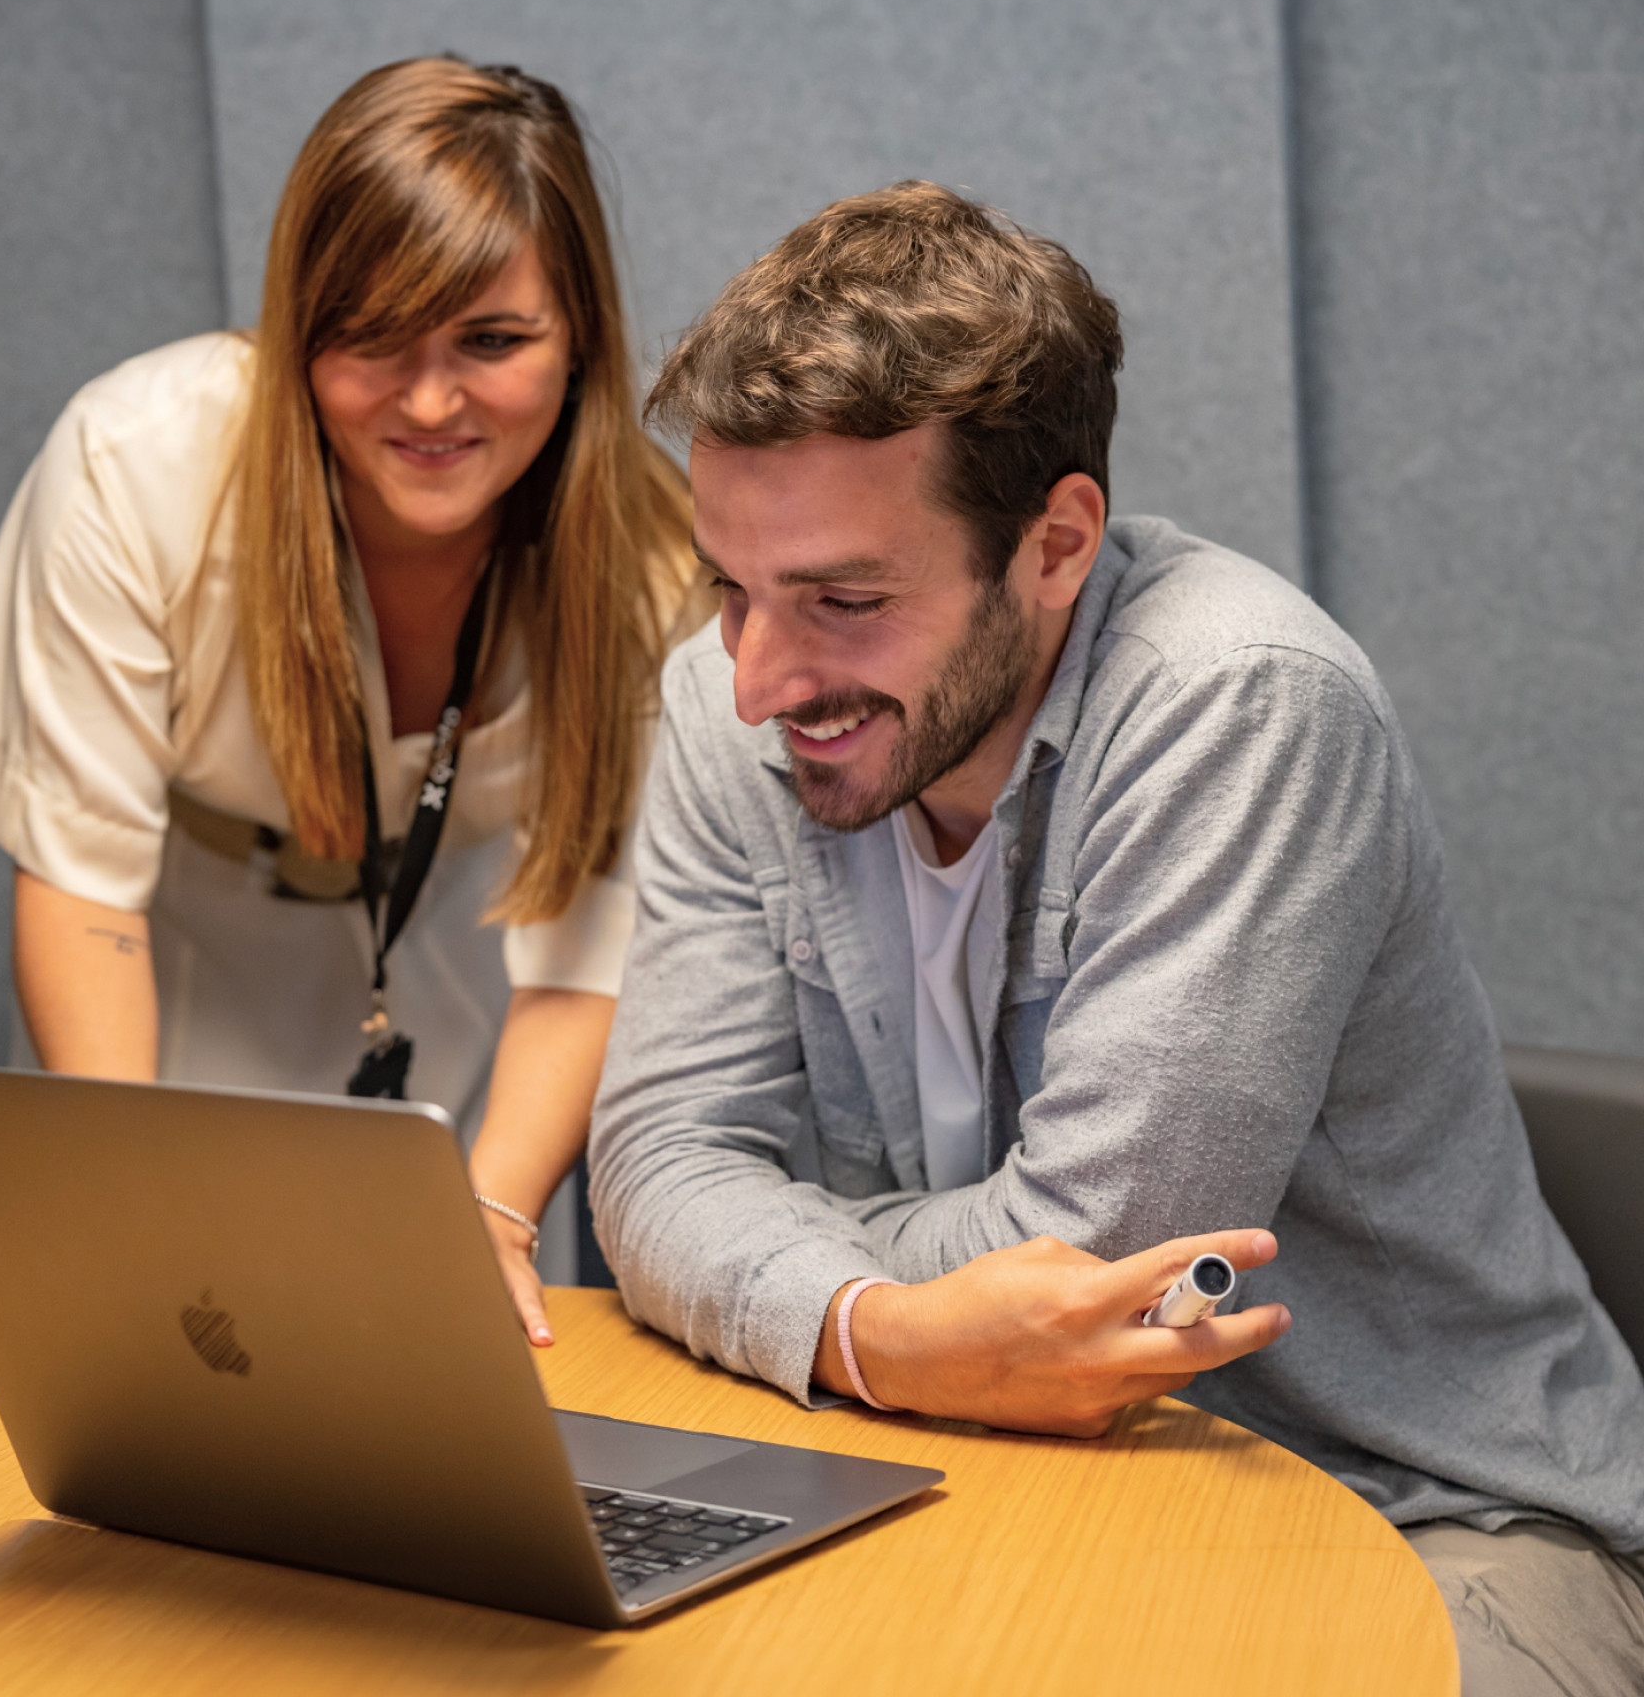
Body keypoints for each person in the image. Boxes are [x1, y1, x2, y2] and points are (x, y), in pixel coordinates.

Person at [589, 181, 1644, 1689]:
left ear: (1057, 540)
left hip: (1430, 1514)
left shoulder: (1242, 703)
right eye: (730, 590)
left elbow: (1099, 1266)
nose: (760, 679)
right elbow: (657, 1160)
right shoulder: (721, 699)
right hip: (973, 1473)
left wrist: (752, 1265)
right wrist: (876, 1328)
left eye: (844, 598)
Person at [0, 57, 694, 1342]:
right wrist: (131, 1178)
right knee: (155, 1343)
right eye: (376, 340)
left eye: (494, 341)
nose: (433, 401)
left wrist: (494, 1213)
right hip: (174, 959)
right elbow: (82, 882)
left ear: (581, 339)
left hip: (454, 962)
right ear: (297, 326)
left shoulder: (658, 566)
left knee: (433, 1360)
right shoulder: (135, 460)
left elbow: (589, 947)